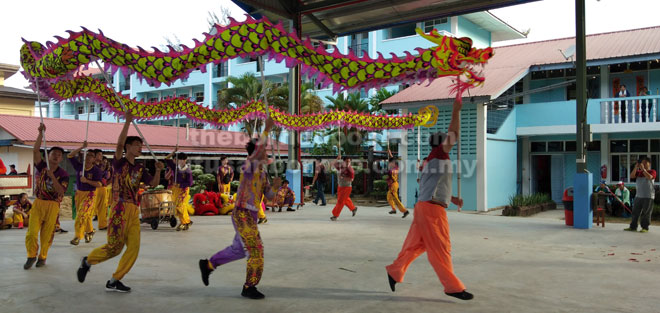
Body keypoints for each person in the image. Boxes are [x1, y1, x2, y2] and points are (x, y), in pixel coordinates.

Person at [385, 99, 473, 301]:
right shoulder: (439, 154)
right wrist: (456, 111)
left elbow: (433, 187)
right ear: (441, 143)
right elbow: (455, 133)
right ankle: (452, 287)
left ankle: (394, 271)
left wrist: (453, 199)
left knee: (416, 245)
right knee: (441, 247)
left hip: (426, 207)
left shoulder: (431, 160)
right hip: (431, 211)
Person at [77, 111, 163, 292]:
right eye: (137, 145)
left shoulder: (140, 168)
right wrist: (127, 123)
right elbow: (118, 144)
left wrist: (157, 171)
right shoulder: (118, 162)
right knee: (115, 247)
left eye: (141, 145)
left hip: (133, 209)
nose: (140, 148)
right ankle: (88, 261)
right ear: (128, 147)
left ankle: (115, 280)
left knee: (134, 248)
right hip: (119, 207)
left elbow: (153, 184)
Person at [199, 116, 281, 300]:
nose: (266, 156)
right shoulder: (249, 165)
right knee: (255, 249)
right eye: (264, 152)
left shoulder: (263, 173)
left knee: (238, 249)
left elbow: (268, 196)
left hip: (251, 216)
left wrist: (275, 186)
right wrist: (266, 129)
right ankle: (249, 286)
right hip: (242, 212)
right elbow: (257, 152)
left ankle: (208, 265)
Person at [24, 123, 69, 269]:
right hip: (38, 203)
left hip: (53, 205)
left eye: (59, 155)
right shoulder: (42, 166)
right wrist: (40, 134)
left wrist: (53, 177)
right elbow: (35, 150)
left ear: (61, 159)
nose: (56, 156)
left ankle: (42, 256)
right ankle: (31, 255)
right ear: (47, 156)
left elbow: (61, 192)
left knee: (47, 234)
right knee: (31, 233)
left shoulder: (63, 174)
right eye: (53, 154)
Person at [68, 142, 104, 245]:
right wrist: (81, 147)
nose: (88, 157)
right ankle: (90, 231)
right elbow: (70, 155)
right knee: (86, 215)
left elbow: (99, 184)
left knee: (81, 214)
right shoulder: (80, 166)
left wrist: (87, 181)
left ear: (94, 159)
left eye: (91, 156)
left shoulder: (96, 170)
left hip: (90, 195)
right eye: (87, 155)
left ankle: (77, 236)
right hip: (79, 194)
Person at [624, 156, 657, 233]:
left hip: (648, 196)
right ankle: (633, 227)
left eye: (646, 163)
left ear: (649, 164)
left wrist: (643, 169)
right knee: (635, 212)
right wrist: (636, 167)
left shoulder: (652, 171)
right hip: (638, 195)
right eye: (643, 163)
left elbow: (649, 177)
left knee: (646, 213)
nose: (644, 164)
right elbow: (632, 176)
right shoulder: (639, 173)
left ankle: (645, 227)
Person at [164, 147, 194, 231]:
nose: (181, 161)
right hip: (175, 190)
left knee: (180, 206)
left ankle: (184, 223)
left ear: (185, 160)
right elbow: (166, 159)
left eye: (183, 160)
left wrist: (180, 184)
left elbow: (190, 183)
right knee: (175, 207)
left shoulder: (188, 171)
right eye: (179, 159)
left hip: (183, 190)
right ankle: (186, 221)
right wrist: (173, 152)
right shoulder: (175, 167)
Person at [330, 156, 357, 221]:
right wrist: (337, 159)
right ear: (343, 161)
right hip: (340, 186)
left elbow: (351, 179)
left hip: (347, 187)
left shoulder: (350, 170)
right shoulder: (340, 166)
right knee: (344, 199)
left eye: (349, 161)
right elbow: (332, 164)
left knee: (340, 201)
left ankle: (335, 215)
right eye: (346, 161)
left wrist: (343, 178)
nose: (348, 163)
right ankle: (353, 208)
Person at [93, 150, 112, 230]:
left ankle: (102, 225)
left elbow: (109, 178)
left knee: (103, 207)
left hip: (103, 188)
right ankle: (85, 225)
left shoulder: (103, 166)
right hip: (94, 188)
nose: (101, 156)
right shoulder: (91, 165)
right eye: (99, 155)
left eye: (101, 155)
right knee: (92, 206)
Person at [386, 150, 409, 218]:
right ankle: (393, 209)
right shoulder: (396, 167)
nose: (389, 164)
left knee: (396, 199)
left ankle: (405, 211)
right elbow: (394, 160)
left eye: (390, 163)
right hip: (394, 185)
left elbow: (389, 178)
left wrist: (387, 179)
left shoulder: (390, 171)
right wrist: (390, 154)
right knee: (389, 197)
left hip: (393, 185)